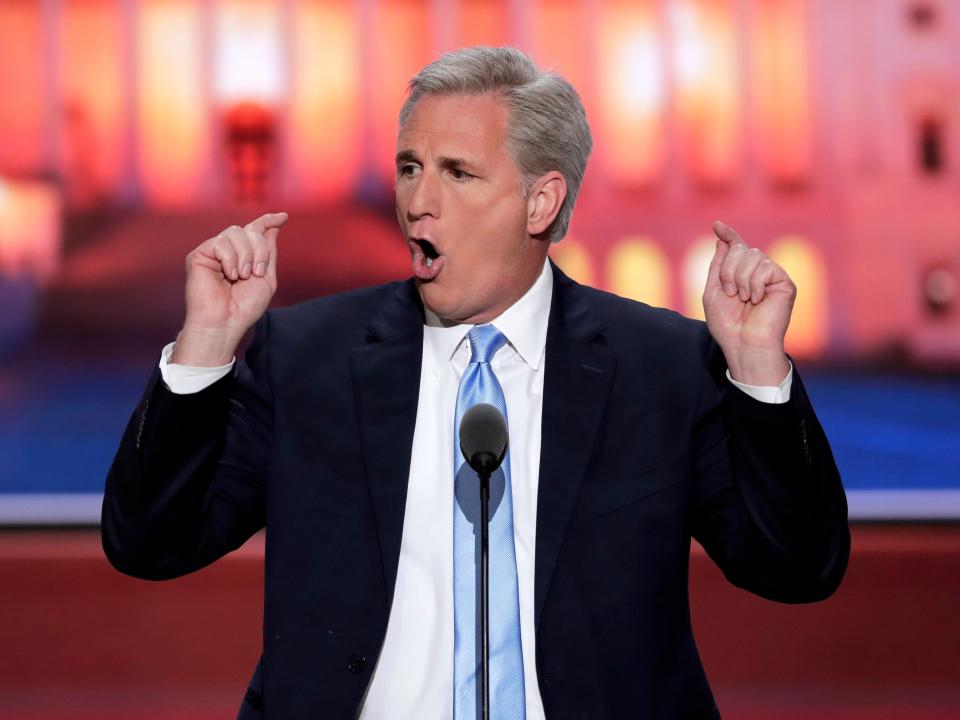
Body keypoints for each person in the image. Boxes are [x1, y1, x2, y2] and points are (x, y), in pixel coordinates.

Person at [102, 46, 849, 720]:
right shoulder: (307, 356)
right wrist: (204, 346)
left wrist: (756, 369)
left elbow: (797, 569)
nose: (417, 200)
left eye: (457, 172)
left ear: (541, 202)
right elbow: (149, 543)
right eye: (408, 166)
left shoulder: (658, 365)